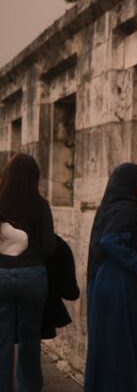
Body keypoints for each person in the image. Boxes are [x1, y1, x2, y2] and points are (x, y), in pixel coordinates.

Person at [84, 163, 137, 392]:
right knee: (121, 343)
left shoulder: (110, 207)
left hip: (104, 280)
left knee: (107, 345)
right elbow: (112, 242)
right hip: (118, 282)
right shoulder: (129, 208)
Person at [0, 153, 56, 392]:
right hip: (33, 276)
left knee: (2, 340)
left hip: (2, 275)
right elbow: (49, 247)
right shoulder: (41, 206)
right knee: (30, 338)